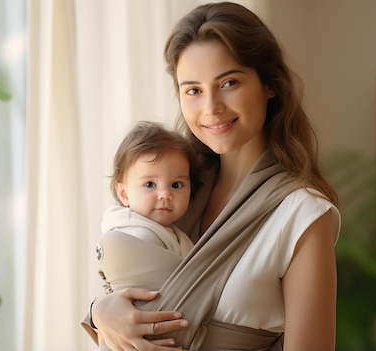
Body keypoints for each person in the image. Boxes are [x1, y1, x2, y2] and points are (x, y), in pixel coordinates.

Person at [84, 2, 341, 350]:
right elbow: (129, 285)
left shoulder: (302, 214)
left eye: (229, 82)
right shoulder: (175, 187)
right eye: (193, 90)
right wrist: (101, 311)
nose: (211, 107)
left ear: (270, 84)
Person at [83, 121, 199, 346]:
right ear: (124, 194)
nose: (165, 194)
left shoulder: (170, 232)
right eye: (150, 184)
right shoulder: (134, 234)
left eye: (176, 185)